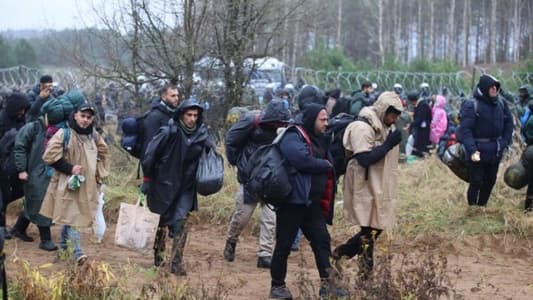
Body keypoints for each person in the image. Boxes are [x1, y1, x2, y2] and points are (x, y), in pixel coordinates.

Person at [269, 103, 348, 299]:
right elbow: (301, 160)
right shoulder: (292, 135)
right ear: (312, 119)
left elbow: (332, 164)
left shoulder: (320, 140)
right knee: (284, 244)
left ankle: (327, 285)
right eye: (322, 120)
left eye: (327, 119)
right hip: (292, 203)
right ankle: (277, 286)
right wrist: (325, 164)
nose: (326, 123)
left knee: (322, 242)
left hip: (312, 205)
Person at [332, 91, 403, 279]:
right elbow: (364, 159)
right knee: (369, 230)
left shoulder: (381, 125)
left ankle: (341, 254)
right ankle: (364, 274)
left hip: (377, 184)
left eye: (397, 116)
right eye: (392, 114)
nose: (394, 119)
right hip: (363, 184)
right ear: (383, 110)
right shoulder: (361, 127)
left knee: (375, 227)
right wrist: (388, 144)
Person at [141, 99, 210, 276]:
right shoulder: (168, 132)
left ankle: (176, 262)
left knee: (180, 223)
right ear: (181, 114)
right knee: (161, 223)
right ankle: (158, 257)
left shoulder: (202, 135)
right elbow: (149, 155)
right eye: (189, 114)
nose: (192, 119)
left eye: (196, 115)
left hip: (186, 188)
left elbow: (209, 158)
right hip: (163, 185)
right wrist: (147, 179)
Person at [224, 99, 290, 269]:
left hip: (272, 178)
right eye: (277, 122)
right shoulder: (252, 120)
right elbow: (231, 140)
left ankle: (265, 254)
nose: (279, 125)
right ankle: (231, 240)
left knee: (271, 218)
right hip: (250, 177)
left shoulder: (286, 127)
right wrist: (239, 163)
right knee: (242, 216)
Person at [40, 103, 109, 265]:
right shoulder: (64, 134)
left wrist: (98, 171)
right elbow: (49, 157)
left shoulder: (94, 136)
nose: (85, 120)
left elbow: (104, 153)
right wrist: (70, 168)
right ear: (76, 115)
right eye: (82, 116)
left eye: (89, 117)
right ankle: (78, 253)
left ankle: (63, 248)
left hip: (87, 185)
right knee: (73, 216)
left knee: (71, 217)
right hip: (67, 183)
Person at [457, 74, 513, 207]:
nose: (494, 89)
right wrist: (472, 150)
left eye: (496, 87)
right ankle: (472, 207)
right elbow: (466, 130)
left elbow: (509, 124)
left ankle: (482, 206)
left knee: (490, 181)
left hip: (496, 150)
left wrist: (504, 143)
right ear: (485, 87)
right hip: (477, 150)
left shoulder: (501, 103)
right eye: (491, 87)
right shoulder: (472, 105)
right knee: (476, 180)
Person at [12, 114, 58, 251]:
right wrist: (21, 169)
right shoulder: (33, 128)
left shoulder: (56, 130)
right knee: (40, 200)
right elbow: (19, 148)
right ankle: (45, 239)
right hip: (32, 171)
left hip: (44, 171)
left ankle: (18, 229)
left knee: (33, 201)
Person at [0, 92, 30, 240]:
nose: (22, 113)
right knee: (2, 196)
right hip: (2, 163)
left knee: (16, 192)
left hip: (14, 164)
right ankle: (2, 227)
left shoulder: (21, 119)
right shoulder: (2, 119)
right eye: (20, 109)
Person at [140, 84, 181, 159]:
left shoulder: (175, 114)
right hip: (158, 166)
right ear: (163, 97)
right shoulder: (154, 116)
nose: (176, 98)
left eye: (177, 95)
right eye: (173, 96)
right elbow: (149, 148)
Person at [408, 88, 432, 157]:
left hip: (424, 130)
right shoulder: (420, 104)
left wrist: (410, 125)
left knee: (421, 146)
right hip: (421, 129)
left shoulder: (423, 105)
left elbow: (420, 119)